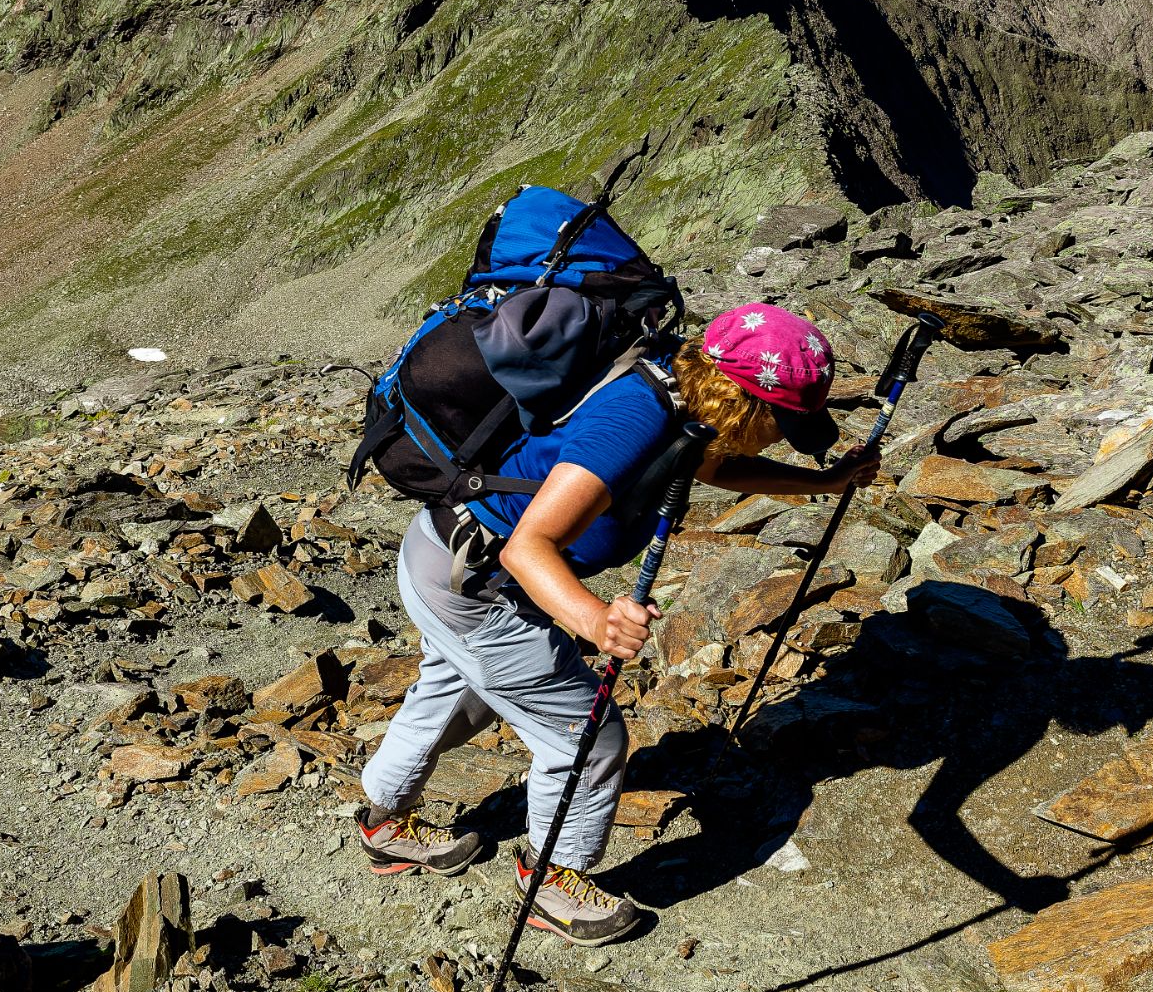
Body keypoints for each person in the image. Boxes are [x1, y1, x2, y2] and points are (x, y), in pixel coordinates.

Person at [353, 303, 879, 945]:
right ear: (749, 405)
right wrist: (597, 620)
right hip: (480, 581)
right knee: (587, 733)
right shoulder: (634, 419)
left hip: (445, 559)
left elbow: (716, 468)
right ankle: (552, 882)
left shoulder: (681, 395)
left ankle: (384, 822)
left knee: (452, 693)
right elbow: (529, 546)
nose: (782, 438)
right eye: (784, 424)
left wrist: (823, 484)